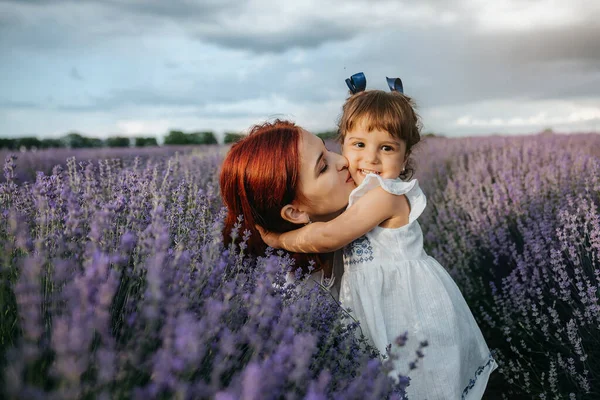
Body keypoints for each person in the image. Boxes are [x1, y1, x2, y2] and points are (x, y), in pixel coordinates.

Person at [257, 73, 497, 399]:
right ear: (342, 144)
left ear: (404, 157)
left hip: (408, 309)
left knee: (422, 382)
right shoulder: (356, 194)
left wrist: (278, 240)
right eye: (358, 145)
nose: (370, 159)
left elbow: (329, 236)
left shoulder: (386, 194)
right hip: (372, 304)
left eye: (386, 148)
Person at [219, 119, 356, 300]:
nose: (343, 160)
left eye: (328, 150)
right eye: (323, 167)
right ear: (295, 213)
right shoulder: (292, 293)